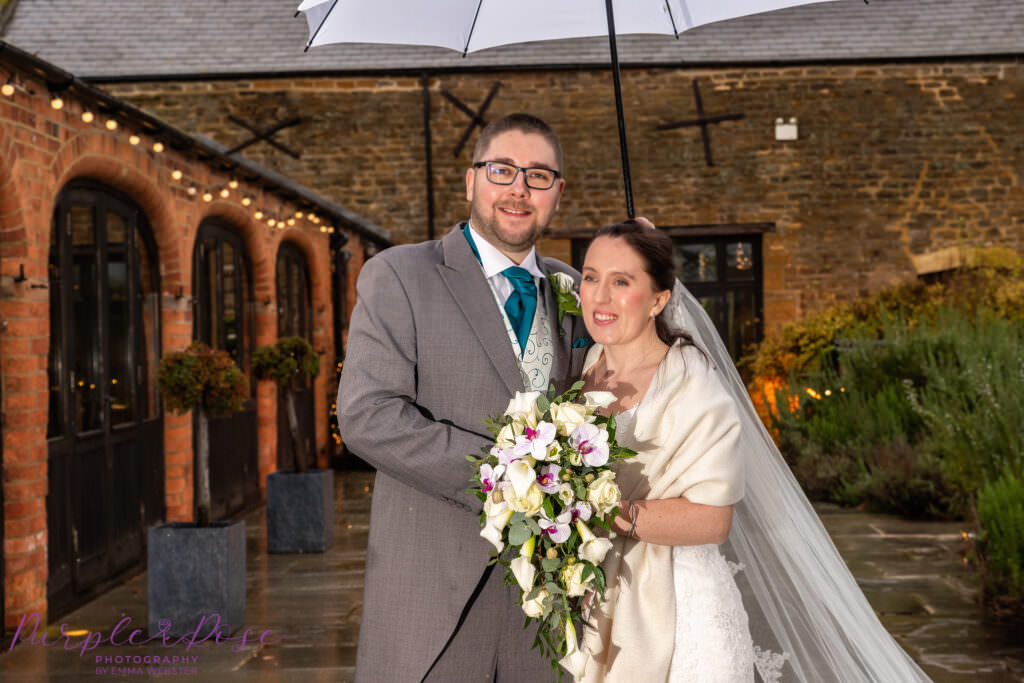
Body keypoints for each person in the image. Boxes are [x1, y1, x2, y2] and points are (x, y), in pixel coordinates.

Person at [570, 220, 932, 682]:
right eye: (591, 276)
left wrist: (597, 512)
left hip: (683, 615)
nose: (599, 297)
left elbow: (712, 520)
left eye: (622, 281)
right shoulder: (586, 368)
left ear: (659, 299)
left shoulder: (690, 383)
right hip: (605, 605)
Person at [337, 113, 589, 682]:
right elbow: (366, 417)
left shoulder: (575, 288)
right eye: (502, 170)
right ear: (471, 181)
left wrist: (638, 264)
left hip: (549, 605)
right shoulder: (400, 275)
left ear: (558, 193)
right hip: (435, 599)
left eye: (540, 175)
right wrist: (511, 479)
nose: (519, 189)